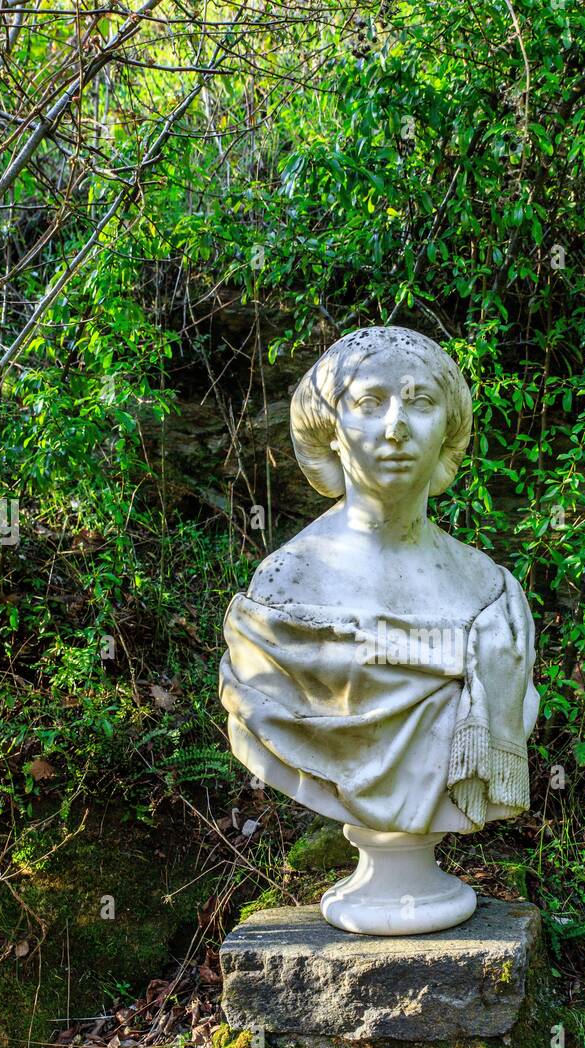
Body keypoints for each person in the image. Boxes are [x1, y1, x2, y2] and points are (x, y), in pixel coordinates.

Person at [219, 326, 539, 837]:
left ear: (448, 430)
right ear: (330, 428)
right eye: (371, 402)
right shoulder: (282, 593)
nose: (396, 428)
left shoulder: (491, 596)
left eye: (421, 402)